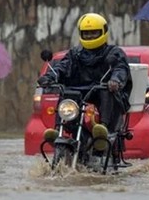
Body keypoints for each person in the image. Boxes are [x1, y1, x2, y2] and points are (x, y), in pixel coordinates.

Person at [37, 13, 132, 151]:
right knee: (66, 94)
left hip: (105, 95)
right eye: (86, 34)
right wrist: (50, 77)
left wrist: (115, 80)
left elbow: (121, 68)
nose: (90, 37)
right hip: (79, 95)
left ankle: (102, 131)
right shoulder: (75, 54)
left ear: (103, 32)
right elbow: (61, 67)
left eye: (94, 33)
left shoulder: (114, 52)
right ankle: (59, 129)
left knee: (105, 91)